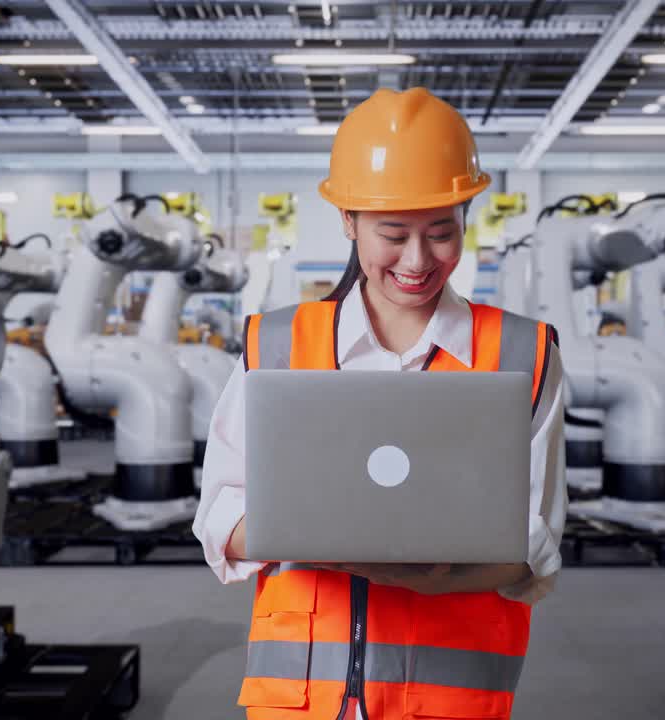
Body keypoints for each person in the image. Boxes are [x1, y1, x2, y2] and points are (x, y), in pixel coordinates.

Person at [193, 87, 566, 720]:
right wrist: (320, 537)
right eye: (393, 235)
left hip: (448, 705)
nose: (418, 261)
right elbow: (219, 516)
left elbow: (537, 538)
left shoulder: (522, 353)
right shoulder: (277, 344)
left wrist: (439, 574)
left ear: (466, 216)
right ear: (348, 220)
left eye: (442, 233)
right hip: (300, 702)